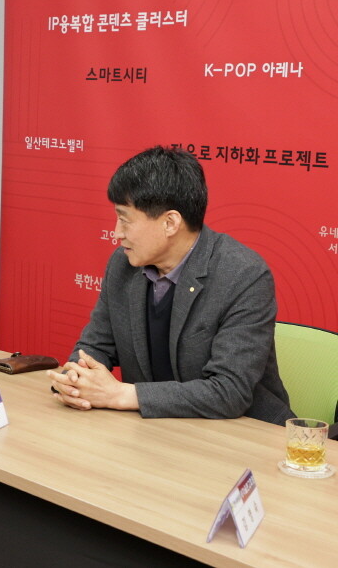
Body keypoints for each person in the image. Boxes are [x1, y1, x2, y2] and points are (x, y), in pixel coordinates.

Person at [47, 146, 293, 425]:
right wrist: (75, 381)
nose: (116, 233)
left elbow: (229, 392)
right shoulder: (123, 264)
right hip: (155, 428)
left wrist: (122, 395)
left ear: (170, 223)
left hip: (243, 433)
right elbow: (94, 346)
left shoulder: (243, 275)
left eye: (125, 220)